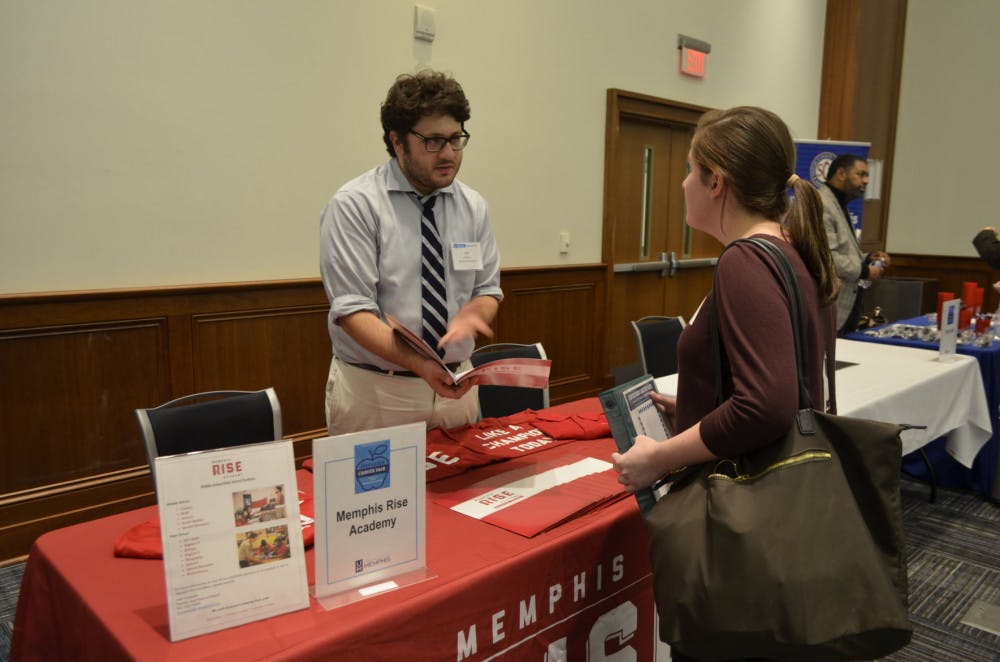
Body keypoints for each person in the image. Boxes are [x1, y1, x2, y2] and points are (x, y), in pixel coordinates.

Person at [610, 107, 838, 659]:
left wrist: (661, 457)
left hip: (743, 519)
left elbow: (766, 406)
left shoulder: (745, 260)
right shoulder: (790, 250)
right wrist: (696, 404)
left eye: (690, 170)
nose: (684, 183)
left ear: (717, 182)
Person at [320, 70, 503, 435]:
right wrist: (420, 364)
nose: (449, 154)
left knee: (463, 492)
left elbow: (487, 290)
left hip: (457, 386)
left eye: (456, 139)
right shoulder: (355, 205)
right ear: (398, 141)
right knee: (375, 495)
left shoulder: (473, 206)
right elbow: (353, 311)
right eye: (433, 141)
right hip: (378, 392)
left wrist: (472, 316)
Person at [820, 153, 890, 335]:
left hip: (846, 308)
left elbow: (845, 250)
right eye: (861, 175)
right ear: (841, 174)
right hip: (829, 308)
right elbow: (829, 258)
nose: (866, 181)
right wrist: (866, 271)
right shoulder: (823, 204)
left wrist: (868, 258)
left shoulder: (839, 204)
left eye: (867, 176)